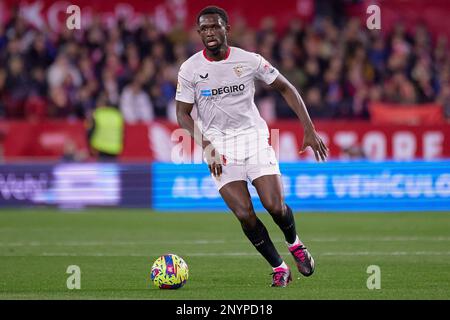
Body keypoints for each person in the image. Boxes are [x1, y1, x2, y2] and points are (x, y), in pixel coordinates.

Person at [175, 6, 328, 287]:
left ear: (226, 29)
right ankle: (279, 267)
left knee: (274, 206)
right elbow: (182, 114)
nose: (209, 32)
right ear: (199, 33)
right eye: (204, 28)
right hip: (219, 149)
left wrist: (309, 128)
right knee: (244, 214)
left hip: (254, 141)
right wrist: (207, 146)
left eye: (215, 26)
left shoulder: (249, 61)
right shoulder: (190, 69)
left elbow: (286, 87)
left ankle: (295, 243)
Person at [87, 93, 124, 161]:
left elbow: (90, 131)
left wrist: (90, 146)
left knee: (102, 169)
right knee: (113, 169)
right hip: (114, 148)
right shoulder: (117, 115)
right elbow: (122, 132)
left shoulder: (97, 114)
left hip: (101, 148)